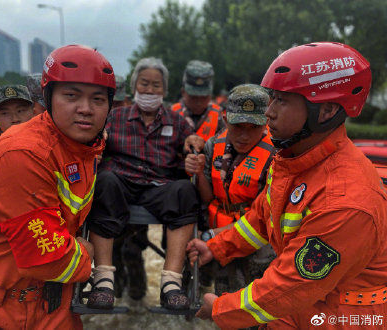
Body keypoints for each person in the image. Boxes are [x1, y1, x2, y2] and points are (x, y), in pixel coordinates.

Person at [187, 42, 387, 329]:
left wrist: (220, 308)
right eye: (271, 98)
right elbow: (261, 219)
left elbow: (292, 285)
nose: (268, 112)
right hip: (303, 308)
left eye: (281, 100)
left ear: (327, 110)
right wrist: (217, 247)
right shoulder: (296, 162)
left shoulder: (345, 201)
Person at [0, 44, 115, 329]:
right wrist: (87, 252)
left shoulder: (82, 147)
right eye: (71, 96)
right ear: (48, 99)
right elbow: (47, 259)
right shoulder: (22, 153)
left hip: (53, 302)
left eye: (98, 99)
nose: (86, 109)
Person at [85, 57, 204, 310]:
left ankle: (171, 283)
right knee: (103, 181)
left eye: (156, 85)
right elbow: (94, 147)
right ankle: (104, 279)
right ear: (134, 85)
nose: (150, 90)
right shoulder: (113, 117)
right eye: (144, 83)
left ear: (165, 90)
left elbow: (190, 146)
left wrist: (191, 147)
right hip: (120, 184)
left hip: (160, 186)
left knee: (185, 190)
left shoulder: (178, 122)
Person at [185, 84, 276, 295]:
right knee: (222, 296)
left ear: (266, 123)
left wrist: (212, 235)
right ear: (225, 120)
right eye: (238, 126)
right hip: (217, 231)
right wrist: (198, 172)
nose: (244, 136)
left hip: (256, 239)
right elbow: (208, 197)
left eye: (253, 127)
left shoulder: (276, 155)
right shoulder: (211, 146)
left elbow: (263, 216)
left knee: (255, 296)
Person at [171, 60, 224, 142]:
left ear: (210, 94)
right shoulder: (171, 114)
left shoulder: (219, 115)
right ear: (183, 92)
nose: (199, 102)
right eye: (193, 97)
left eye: (204, 97)